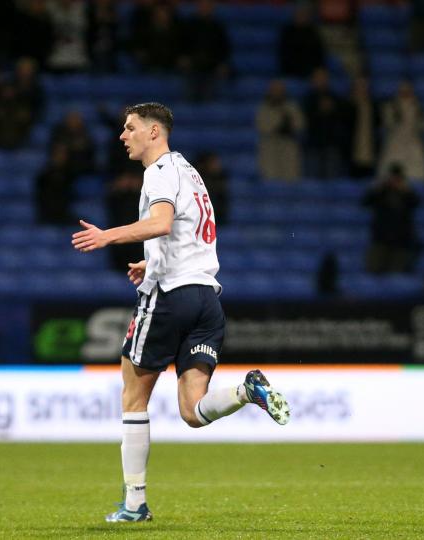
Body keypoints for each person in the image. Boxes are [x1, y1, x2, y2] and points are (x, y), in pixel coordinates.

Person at [71, 103, 290, 523]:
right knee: (193, 410)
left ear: (154, 132)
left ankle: (134, 504)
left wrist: (107, 236)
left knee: (133, 396)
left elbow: (162, 223)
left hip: (171, 297)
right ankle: (246, 391)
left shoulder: (159, 172)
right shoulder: (189, 171)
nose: (123, 135)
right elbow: (188, 232)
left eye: (130, 128)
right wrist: (151, 262)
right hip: (206, 298)